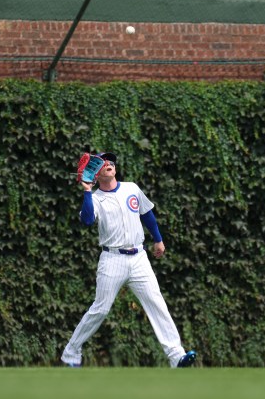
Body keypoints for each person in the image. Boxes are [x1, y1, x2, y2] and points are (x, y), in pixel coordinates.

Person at [61, 152, 197, 368]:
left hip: (139, 257)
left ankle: (176, 356)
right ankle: (71, 353)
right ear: (95, 173)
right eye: (103, 163)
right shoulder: (95, 198)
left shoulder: (131, 188)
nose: (109, 164)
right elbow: (87, 220)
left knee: (156, 302)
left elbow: (146, 214)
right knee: (101, 309)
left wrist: (158, 240)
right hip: (112, 258)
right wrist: (87, 190)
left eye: (111, 162)